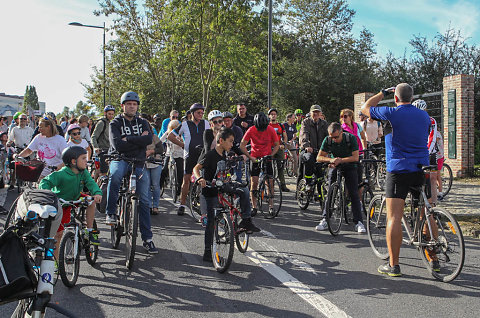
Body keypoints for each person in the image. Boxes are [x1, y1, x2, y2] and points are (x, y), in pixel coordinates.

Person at [361, 83, 431, 277]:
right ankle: (434, 258)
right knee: (426, 212)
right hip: (421, 167)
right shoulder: (423, 115)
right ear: (412, 96)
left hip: (399, 169)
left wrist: (382, 93)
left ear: (396, 98)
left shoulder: (391, 112)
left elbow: (364, 107)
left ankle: (393, 265)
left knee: (394, 218)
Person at [193, 127, 260, 262]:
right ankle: (207, 250)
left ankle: (245, 220)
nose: (231, 144)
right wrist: (200, 179)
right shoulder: (210, 155)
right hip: (210, 190)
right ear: (221, 141)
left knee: (244, 190)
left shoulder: (226, 154)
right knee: (211, 220)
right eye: (230, 141)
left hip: (223, 186)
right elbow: (196, 168)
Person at [105, 91, 158, 254]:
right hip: (120, 158)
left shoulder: (142, 122)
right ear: (123, 106)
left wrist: (129, 140)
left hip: (139, 162)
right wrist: (138, 141)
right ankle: (111, 212)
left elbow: (148, 140)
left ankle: (147, 239)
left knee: (144, 199)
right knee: (115, 176)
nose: (132, 107)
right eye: (129, 104)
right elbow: (118, 146)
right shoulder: (115, 122)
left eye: (134, 104)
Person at [39, 146, 103, 260]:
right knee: (58, 235)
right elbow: (45, 182)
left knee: (91, 202)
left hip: (76, 198)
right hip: (61, 204)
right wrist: (47, 195)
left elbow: (91, 183)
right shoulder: (61, 174)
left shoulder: (83, 172)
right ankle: (56, 261)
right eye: (83, 158)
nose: (86, 161)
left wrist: (97, 193)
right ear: (73, 161)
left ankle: (89, 231)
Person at [315, 122, 366, 233]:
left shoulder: (350, 138)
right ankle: (325, 218)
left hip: (350, 165)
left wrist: (341, 160)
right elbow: (319, 157)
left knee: (354, 193)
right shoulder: (328, 140)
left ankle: (358, 222)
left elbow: (356, 157)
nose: (333, 139)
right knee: (330, 193)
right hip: (335, 165)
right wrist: (331, 160)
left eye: (336, 137)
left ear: (341, 132)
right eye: (331, 137)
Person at [168, 103, 210, 216]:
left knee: (205, 179)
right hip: (189, 155)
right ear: (192, 113)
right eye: (198, 113)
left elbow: (212, 136)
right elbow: (170, 136)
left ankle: (203, 203)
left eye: (202, 113)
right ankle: (182, 204)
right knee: (186, 180)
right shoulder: (185, 124)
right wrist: (182, 145)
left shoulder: (206, 123)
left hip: (203, 155)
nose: (201, 115)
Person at [240, 112, 279, 216]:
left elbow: (276, 145)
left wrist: (271, 155)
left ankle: (271, 206)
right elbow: (242, 145)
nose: (261, 130)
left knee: (270, 182)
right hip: (255, 157)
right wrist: (250, 157)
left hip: (267, 156)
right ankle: (254, 206)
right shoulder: (251, 129)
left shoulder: (270, 129)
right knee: (254, 182)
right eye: (259, 129)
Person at [298, 105, 329, 188]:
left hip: (320, 151)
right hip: (308, 150)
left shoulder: (324, 123)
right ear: (310, 113)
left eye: (317, 112)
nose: (315, 114)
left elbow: (328, 137)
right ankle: (307, 183)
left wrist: (329, 148)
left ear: (321, 113)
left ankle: (321, 193)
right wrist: (306, 145)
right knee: (308, 159)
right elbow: (304, 134)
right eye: (314, 112)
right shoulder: (306, 122)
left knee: (321, 170)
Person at [159, 119, 184, 196]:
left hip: (179, 155)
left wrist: (181, 140)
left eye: (175, 128)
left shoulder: (181, 134)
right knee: (164, 169)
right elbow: (160, 141)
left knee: (180, 172)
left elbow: (186, 143)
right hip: (169, 154)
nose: (173, 130)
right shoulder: (167, 133)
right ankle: (160, 186)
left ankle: (179, 190)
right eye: (172, 128)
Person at [268, 108, 289, 192]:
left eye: (275, 114)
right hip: (269, 149)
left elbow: (285, 136)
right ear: (269, 116)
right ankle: (270, 185)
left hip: (279, 148)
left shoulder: (280, 125)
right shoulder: (267, 125)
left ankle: (282, 184)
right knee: (269, 167)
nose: (273, 115)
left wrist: (283, 144)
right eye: (271, 114)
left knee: (281, 166)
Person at [91, 105, 115, 177]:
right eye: (109, 114)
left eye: (112, 114)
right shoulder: (101, 123)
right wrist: (95, 147)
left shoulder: (111, 123)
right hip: (102, 151)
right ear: (105, 113)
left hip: (110, 150)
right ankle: (97, 187)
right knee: (102, 173)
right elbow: (94, 136)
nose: (111, 116)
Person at [146, 131, 164, 215]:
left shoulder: (154, 137)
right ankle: (149, 205)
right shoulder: (137, 137)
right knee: (147, 184)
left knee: (155, 185)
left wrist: (152, 151)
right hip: (144, 163)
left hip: (155, 163)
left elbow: (161, 149)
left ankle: (155, 206)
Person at [223, 111, 244, 181]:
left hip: (235, 154)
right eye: (224, 121)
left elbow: (238, 144)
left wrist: (235, 154)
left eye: (228, 120)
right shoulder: (221, 130)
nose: (226, 122)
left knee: (237, 176)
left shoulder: (237, 129)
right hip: (224, 155)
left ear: (232, 120)